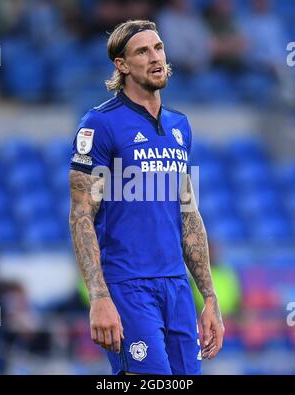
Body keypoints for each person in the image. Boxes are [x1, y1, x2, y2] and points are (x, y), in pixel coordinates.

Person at [69, 19, 224, 375]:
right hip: (127, 287)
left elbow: (188, 214)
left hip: (176, 287)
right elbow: (80, 216)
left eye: (159, 48)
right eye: (142, 51)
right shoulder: (99, 125)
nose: (156, 57)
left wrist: (210, 297)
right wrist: (99, 297)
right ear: (121, 65)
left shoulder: (179, 126)